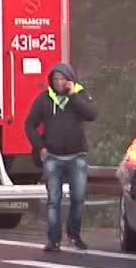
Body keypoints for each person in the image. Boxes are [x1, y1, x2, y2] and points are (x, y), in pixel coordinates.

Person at [24, 63, 98, 252]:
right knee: (53, 200)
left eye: (62, 79)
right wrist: (39, 146)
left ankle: (74, 235)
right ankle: (53, 239)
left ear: (70, 79)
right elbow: (30, 124)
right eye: (55, 79)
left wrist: (73, 95)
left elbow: (91, 115)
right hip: (53, 157)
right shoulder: (44, 99)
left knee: (78, 198)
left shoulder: (80, 95)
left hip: (77, 156)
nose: (58, 83)